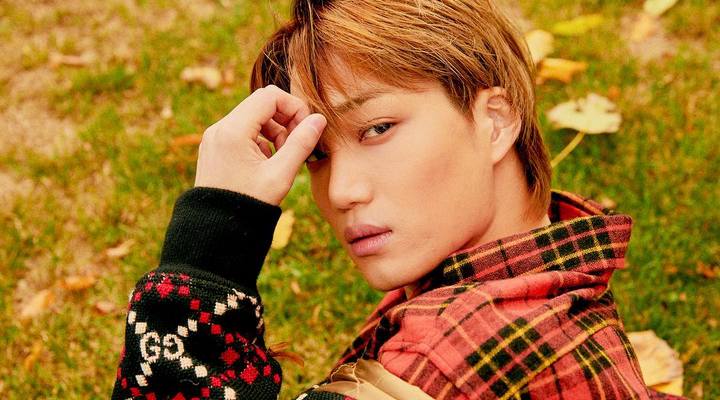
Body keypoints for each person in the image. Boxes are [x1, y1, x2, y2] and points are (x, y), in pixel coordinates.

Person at [111, 0, 684, 399]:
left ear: (494, 121)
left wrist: (209, 246)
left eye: (378, 128)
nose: (341, 191)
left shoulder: (443, 367)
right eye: (317, 155)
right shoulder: (550, 262)